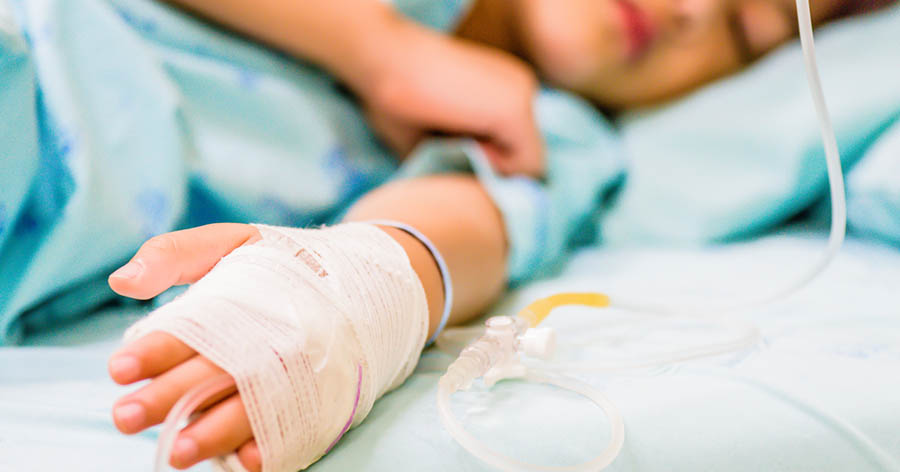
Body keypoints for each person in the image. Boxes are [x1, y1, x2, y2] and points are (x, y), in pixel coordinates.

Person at [92, 0, 894, 470]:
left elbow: (468, 218)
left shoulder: (555, 135)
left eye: (743, 33)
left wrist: (344, 286)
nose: (691, 11)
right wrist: (379, 49)